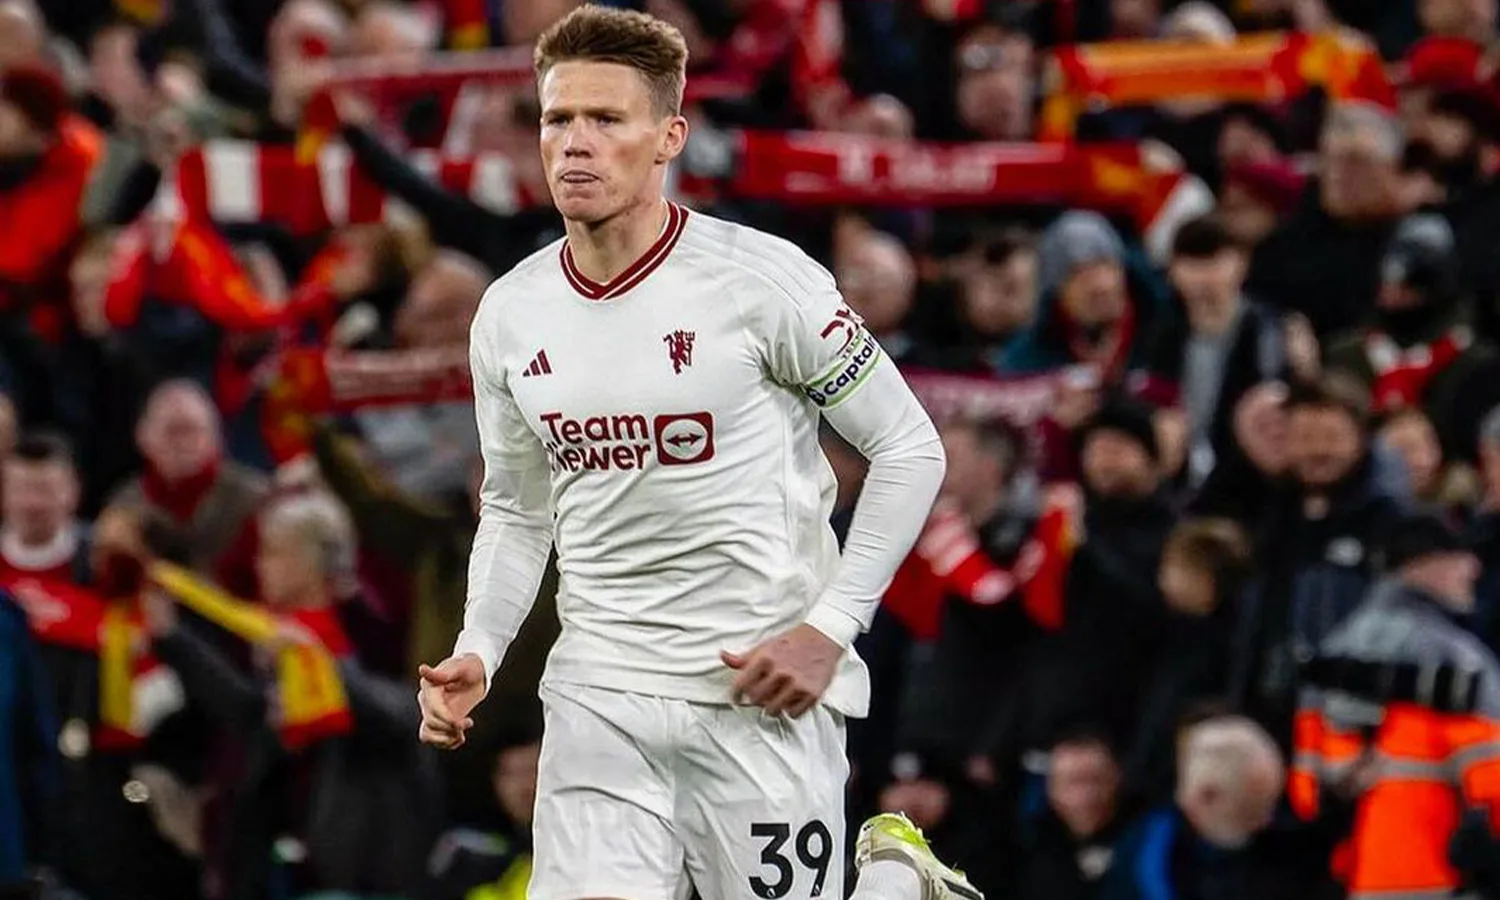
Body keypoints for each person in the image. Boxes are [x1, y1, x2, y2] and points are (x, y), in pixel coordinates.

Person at [414, 8, 970, 900]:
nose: (575, 143)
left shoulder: (763, 282)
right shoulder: (511, 312)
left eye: (607, 119)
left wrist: (829, 631)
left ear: (669, 137)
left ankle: (898, 880)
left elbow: (909, 448)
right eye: (558, 119)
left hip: (759, 691)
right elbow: (517, 507)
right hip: (599, 695)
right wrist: (480, 646)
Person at [1290, 513, 1500, 900]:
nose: (1473, 568)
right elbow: (1492, 781)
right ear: (1423, 565)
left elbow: (1305, 790)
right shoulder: (1457, 661)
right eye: (1458, 556)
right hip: (1441, 879)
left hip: (1357, 878)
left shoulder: (1330, 657)